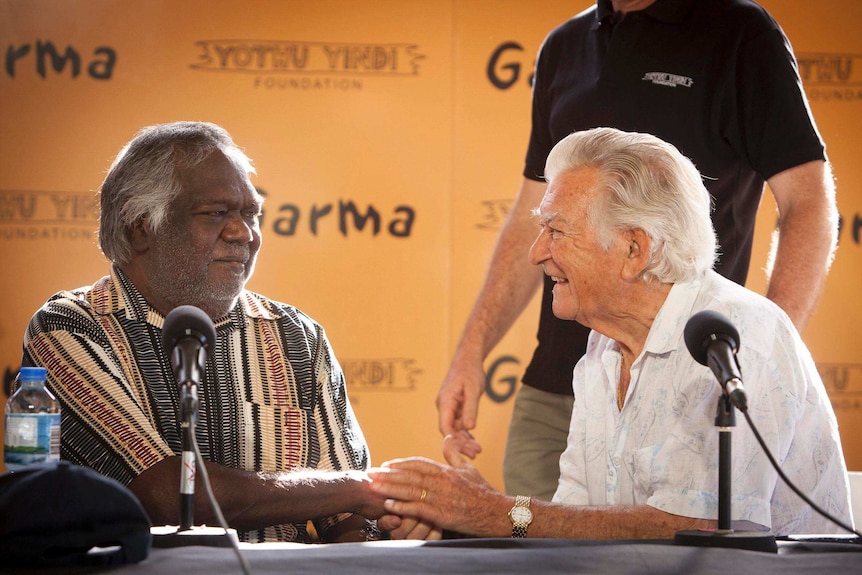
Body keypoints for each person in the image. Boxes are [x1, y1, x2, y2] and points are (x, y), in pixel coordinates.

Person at [437, 0, 840, 501]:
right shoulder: (565, 45)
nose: (541, 252)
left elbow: (807, 202)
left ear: (636, 249)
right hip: (565, 376)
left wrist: (757, 356)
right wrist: (471, 352)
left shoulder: (739, 33)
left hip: (690, 376)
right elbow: (530, 217)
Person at [374, 128, 852, 539]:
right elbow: (574, 520)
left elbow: (695, 528)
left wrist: (493, 513)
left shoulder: (740, 335)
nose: (536, 253)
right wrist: (467, 515)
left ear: (633, 249)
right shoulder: (604, 346)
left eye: (556, 231)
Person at [20, 121, 434, 543]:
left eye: (251, 213)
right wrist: (364, 489)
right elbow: (170, 495)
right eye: (216, 213)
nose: (245, 234)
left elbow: (347, 518)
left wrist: (378, 528)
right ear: (139, 225)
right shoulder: (72, 326)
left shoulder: (296, 335)